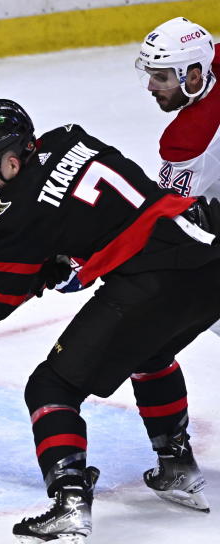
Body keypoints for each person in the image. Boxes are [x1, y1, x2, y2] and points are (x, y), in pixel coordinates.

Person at [0, 99, 220, 544]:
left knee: (51, 386)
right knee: (149, 353)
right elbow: (106, 211)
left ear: (12, 160)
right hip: (205, 254)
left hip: (153, 281)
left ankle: (69, 507)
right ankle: (177, 465)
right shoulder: (70, 137)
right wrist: (62, 259)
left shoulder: (14, 209)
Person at [135, 16, 220, 337]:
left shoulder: (191, 139)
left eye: (161, 77)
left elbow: (161, 217)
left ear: (195, 75)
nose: (151, 86)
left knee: (201, 298)